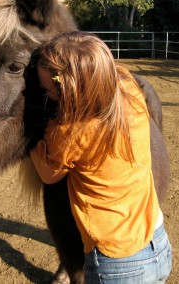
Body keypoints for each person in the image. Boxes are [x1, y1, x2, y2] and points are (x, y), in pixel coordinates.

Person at [29, 32, 172, 283]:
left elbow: (48, 175)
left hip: (117, 264)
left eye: (46, 87)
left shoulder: (70, 132)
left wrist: (33, 140)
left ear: (65, 87)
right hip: (158, 244)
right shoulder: (129, 89)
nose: (43, 90)